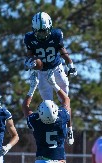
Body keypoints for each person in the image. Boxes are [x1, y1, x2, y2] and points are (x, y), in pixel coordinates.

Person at [23, 11, 77, 146]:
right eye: (38, 32)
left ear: (50, 27)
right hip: (42, 73)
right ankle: (51, 132)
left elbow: (62, 50)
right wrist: (29, 62)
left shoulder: (56, 34)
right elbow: (29, 55)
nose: (41, 35)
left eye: (43, 31)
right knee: (48, 105)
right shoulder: (29, 38)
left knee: (65, 101)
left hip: (57, 69)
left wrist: (70, 64)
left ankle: (69, 129)